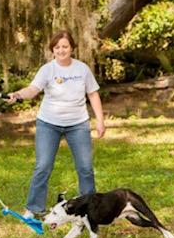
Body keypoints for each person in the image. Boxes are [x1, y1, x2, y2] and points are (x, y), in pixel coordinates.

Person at [7, 30, 105, 218]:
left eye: (65, 46)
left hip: (78, 124)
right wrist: (18, 95)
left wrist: (100, 120)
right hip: (48, 123)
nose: (61, 50)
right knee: (43, 166)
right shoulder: (47, 69)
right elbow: (33, 89)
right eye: (57, 47)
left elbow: (93, 94)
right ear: (53, 50)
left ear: (72, 49)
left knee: (85, 168)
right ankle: (34, 208)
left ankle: (90, 208)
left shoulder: (82, 69)